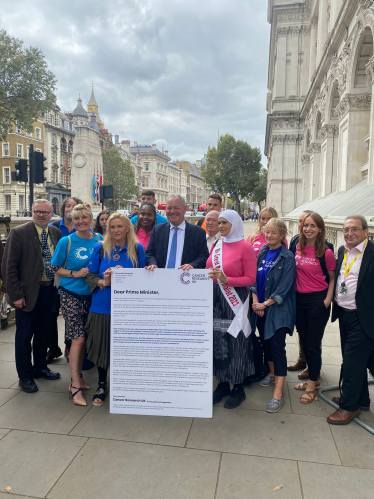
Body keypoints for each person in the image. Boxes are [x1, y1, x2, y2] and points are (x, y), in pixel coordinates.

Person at [85, 212, 146, 406]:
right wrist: (105, 281)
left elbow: (144, 278)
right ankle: (102, 385)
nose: (116, 230)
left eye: (119, 226)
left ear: (128, 228)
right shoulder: (100, 248)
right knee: (102, 346)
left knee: (126, 348)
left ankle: (125, 385)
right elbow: (90, 276)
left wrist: (149, 270)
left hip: (129, 308)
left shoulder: (137, 249)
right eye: (112, 227)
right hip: (103, 306)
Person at [2, 199, 62, 393]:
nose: (41, 215)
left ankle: (40, 367)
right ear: (32, 212)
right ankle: (25, 375)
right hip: (26, 294)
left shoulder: (56, 233)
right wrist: (15, 294)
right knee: (24, 336)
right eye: (37, 212)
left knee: (44, 333)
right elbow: (8, 267)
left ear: (51, 214)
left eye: (45, 212)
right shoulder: (18, 233)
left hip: (50, 291)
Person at [51, 204, 103, 406]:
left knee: (87, 338)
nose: (81, 222)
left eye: (84, 218)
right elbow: (54, 267)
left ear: (91, 219)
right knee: (78, 339)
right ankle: (74, 384)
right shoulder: (67, 241)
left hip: (93, 294)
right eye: (76, 218)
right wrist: (75, 273)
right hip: (71, 293)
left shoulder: (99, 240)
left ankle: (79, 376)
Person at [207, 210, 257, 409]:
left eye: (224, 223)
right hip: (216, 301)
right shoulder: (217, 244)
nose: (220, 226)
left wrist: (227, 280)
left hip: (236, 301)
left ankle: (238, 387)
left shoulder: (246, 248)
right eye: (218, 223)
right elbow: (209, 269)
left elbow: (251, 279)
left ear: (234, 224)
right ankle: (222, 383)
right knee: (219, 341)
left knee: (235, 341)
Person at [327, 215, 374, 425]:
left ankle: (349, 406)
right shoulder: (342, 250)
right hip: (344, 313)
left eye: (354, 229)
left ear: (366, 231)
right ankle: (360, 399)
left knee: (353, 363)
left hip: (363, 317)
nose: (349, 233)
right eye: (346, 230)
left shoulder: (372, 253)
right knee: (354, 360)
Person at [250, 218, 296, 413]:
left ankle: (278, 392)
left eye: (273, 233)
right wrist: (255, 302)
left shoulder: (287, 257)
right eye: (267, 232)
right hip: (260, 307)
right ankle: (271, 372)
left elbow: (283, 290)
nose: (269, 236)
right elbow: (254, 279)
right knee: (265, 343)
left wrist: (265, 303)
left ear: (282, 235)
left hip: (277, 310)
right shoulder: (262, 252)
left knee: (277, 347)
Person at [293, 212, 336, 403]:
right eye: (305, 226)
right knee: (304, 341)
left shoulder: (325, 252)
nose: (308, 229)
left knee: (313, 343)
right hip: (299, 300)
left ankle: (312, 384)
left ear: (320, 229)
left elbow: (333, 278)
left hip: (317, 301)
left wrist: (327, 300)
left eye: (312, 226)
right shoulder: (297, 247)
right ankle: (314, 377)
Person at [47, 196, 83, 363]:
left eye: (74, 206)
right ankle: (53, 347)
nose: (70, 208)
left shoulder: (82, 228)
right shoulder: (54, 227)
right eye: (68, 205)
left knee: (73, 319)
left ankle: (70, 346)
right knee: (52, 315)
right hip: (55, 279)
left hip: (75, 284)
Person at [145, 194, 209, 270]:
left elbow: (203, 256)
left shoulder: (198, 232)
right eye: (169, 208)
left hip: (185, 278)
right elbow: (149, 253)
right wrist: (152, 263)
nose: (172, 211)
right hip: (161, 278)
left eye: (176, 208)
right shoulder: (157, 230)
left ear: (185, 209)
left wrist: (192, 265)